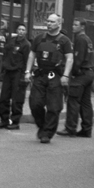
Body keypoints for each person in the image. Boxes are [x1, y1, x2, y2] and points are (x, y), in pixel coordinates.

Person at [24, 13, 74, 143]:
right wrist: (27, 71)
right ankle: (42, 126)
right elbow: (32, 55)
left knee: (53, 107)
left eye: (52, 22)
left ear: (58, 24)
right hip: (40, 75)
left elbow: (69, 58)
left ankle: (47, 133)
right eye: (47, 21)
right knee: (35, 104)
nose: (48, 23)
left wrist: (65, 75)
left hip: (55, 76)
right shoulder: (39, 38)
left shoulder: (64, 41)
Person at [58, 19, 94, 138]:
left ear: (82, 27)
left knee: (73, 101)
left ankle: (70, 128)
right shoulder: (87, 39)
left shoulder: (80, 39)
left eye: (76, 25)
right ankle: (87, 129)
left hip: (81, 74)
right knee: (85, 102)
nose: (73, 27)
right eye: (73, 24)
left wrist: (73, 72)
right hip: (89, 73)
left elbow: (78, 59)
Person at [0, 23, 30, 129]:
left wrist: (25, 74)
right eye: (19, 29)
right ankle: (4, 120)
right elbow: (5, 55)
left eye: (23, 30)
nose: (21, 31)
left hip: (18, 73)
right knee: (4, 98)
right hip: (8, 72)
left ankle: (15, 122)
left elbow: (27, 61)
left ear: (25, 32)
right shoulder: (11, 41)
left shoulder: (26, 45)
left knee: (17, 99)